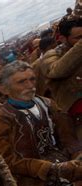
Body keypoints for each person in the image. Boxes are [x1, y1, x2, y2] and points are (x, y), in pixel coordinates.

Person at [40, 1, 82, 139]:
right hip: (76, 123)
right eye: (78, 38)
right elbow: (57, 71)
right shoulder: (51, 55)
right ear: (63, 38)